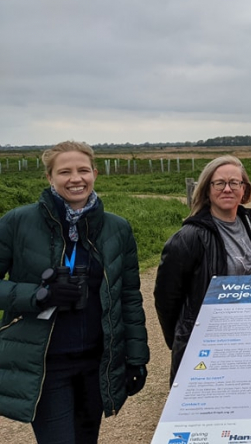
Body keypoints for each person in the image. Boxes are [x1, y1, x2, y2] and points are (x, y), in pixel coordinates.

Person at [0, 141, 149, 443]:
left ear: (95, 173)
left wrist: (136, 357)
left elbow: (129, 296)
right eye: (64, 171)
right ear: (49, 178)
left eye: (83, 170)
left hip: (96, 362)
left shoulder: (117, 228)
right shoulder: (18, 222)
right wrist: (37, 295)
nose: (75, 178)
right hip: (46, 362)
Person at [155, 155, 251, 384]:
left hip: (250, 336)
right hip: (207, 342)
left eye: (235, 183)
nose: (228, 189)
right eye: (219, 183)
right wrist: (183, 338)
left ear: (243, 189)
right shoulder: (189, 237)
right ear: (207, 189)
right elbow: (167, 298)